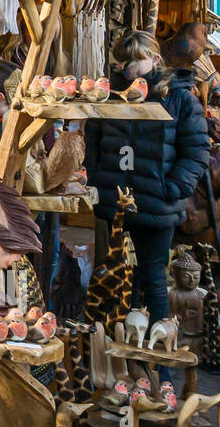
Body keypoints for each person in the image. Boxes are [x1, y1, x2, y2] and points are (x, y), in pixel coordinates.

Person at [84, 29, 210, 407]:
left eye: (134, 60)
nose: (126, 68)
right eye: (122, 61)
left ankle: (160, 372)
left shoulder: (181, 100)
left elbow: (196, 151)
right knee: (118, 284)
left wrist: (171, 189)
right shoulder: (110, 95)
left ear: (155, 60)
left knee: (152, 281)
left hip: (156, 207)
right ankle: (123, 371)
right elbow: (94, 140)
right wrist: (95, 183)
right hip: (115, 205)